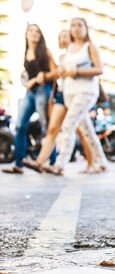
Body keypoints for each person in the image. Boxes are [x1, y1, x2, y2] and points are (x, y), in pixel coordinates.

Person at [23, 29, 97, 174]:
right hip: (62, 94)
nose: (63, 38)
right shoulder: (63, 57)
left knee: (81, 131)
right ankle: (39, 162)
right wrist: (48, 76)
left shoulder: (80, 54)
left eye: (65, 35)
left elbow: (92, 73)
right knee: (53, 129)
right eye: (60, 36)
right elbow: (57, 74)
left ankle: (91, 164)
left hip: (77, 95)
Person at [45, 17, 108, 176]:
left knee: (67, 125)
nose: (76, 28)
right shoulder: (69, 49)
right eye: (73, 25)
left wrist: (77, 72)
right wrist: (61, 72)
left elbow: (99, 69)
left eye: (80, 25)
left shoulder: (89, 47)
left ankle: (60, 163)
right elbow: (62, 70)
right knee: (87, 130)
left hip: (85, 92)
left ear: (86, 28)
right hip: (69, 94)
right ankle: (101, 162)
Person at [3, 24, 56, 174]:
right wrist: (29, 82)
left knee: (46, 127)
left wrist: (44, 76)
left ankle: (52, 162)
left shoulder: (45, 52)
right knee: (19, 126)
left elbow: (55, 72)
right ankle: (19, 163)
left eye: (37, 31)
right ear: (26, 34)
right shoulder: (25, 52)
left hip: (43, 90)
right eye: (31, 31)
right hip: (30, 92)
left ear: (41, 35)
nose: (34, 34)